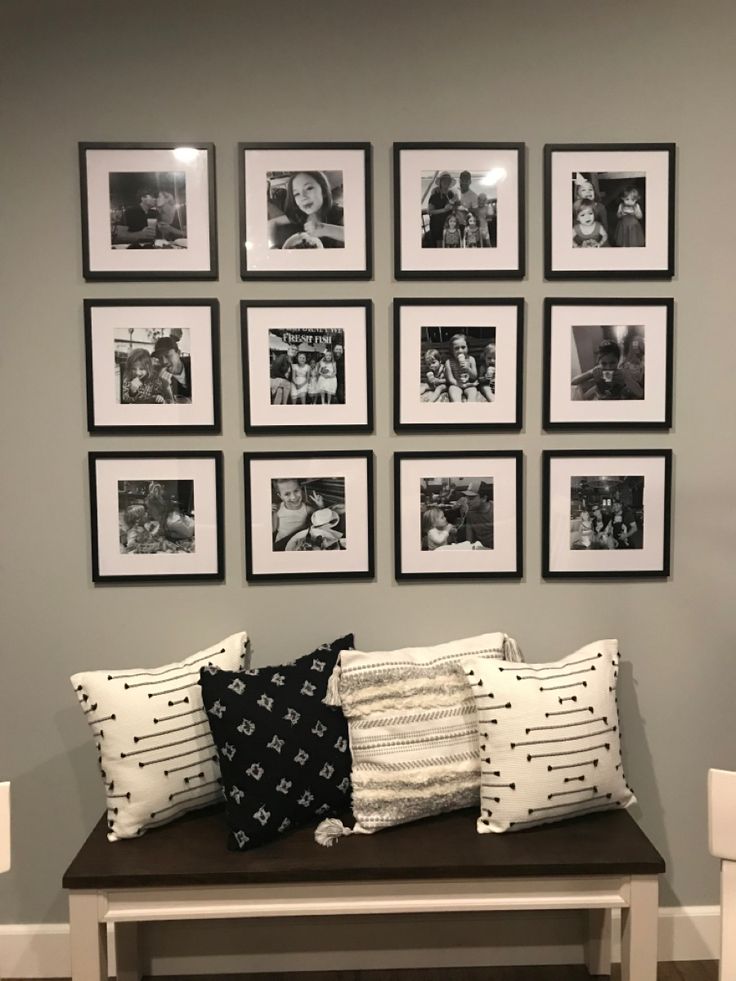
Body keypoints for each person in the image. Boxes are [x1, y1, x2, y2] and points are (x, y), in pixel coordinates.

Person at [268, 171, 344, 248]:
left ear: (323, 191)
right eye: (297, 194)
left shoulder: (337, 213)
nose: (303, 197)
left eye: (309, 188)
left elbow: (354, 235)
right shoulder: (299, 214)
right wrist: (274, 246)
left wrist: (324, 228)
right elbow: (272, 223)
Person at [572, 339, 641, 400]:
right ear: (598, 362)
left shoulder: (622, 373)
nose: (609, 367)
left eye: (613, 363)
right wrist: (591, 376)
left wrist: (626, 378)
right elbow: (573, 382)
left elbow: (640, 393)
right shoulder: (597, 371)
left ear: (618, 361)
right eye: (604, 363)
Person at [272, 479, 324, 545]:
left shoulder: (306, 508)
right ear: (280, 496)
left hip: (300, 540)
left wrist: (320, 506)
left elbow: (320, 517)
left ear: (300, 489)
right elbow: (273, 529)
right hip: (282, 542)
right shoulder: (278, 509)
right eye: (287, 494)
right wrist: (269, 513)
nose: (293, 497)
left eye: (296, 491)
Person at [153, 336, 192, 402]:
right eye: (160, 358)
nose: (164, 362)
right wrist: (166, 388)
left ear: (178, 353)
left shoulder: (193, 364)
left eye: (167, 356)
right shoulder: (157, 377)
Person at [445, 333, 479, 402]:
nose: (460, 350)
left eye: (463, 347)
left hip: (469, 385)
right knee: (452, 390)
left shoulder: (471, 359)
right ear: (452, 350)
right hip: (456, 384)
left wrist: (468, 369)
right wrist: (458, 384)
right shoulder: (448, 362)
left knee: (472, 394)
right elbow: (450, 378)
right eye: (456, 348)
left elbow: (474, 376)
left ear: (468, 347)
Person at [426, 172, 457, 247]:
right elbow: (430, 211)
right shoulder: (434, 195)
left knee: (449, 245)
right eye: (444, 180)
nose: (446, 182)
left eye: (448, 180)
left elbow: (454, 207)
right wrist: (444, 210)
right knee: (439, 246)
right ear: (440, 182)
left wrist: (454, 207)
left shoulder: (451, 194)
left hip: (449, 225)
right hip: (437, 225)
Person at [462, 483, 493, 549]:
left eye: (471, 498)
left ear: (484, 498)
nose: (467, 502)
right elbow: (469, 541)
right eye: (467, 498)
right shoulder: (470, 513)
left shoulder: (495, 511)